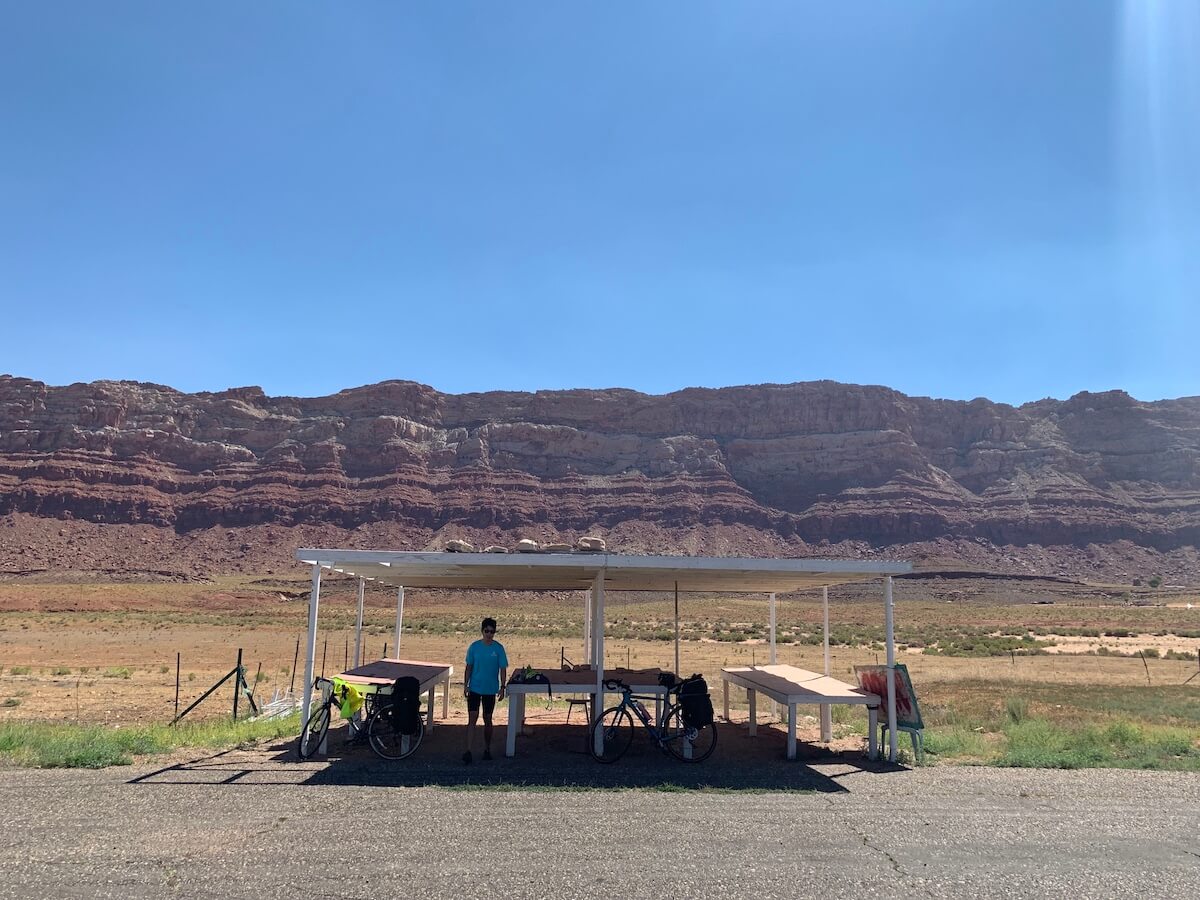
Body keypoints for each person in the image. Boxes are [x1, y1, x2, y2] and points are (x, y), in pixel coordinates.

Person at [463, 617, 507, 763]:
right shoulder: (474, 647)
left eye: (492, 632)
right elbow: (468, 667)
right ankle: (468, 750)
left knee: (487, 719)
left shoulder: (498, 648)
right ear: (482, 631)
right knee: (472, 718)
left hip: (490, 689)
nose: (489, 634)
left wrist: (502, 687)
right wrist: (465, 684)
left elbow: (503, 668)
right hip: (475, 687)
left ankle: (487, 749)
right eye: (487, 631)